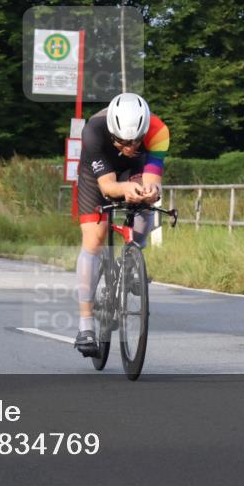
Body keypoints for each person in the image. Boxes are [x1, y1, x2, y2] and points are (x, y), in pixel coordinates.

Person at [73, 93, 169, 355]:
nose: (130, 146)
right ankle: (86, 327)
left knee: (144, 205)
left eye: (137, 140)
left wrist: (151, 191)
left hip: (134, 169)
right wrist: (124, 188)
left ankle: (133, 256)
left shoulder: (159, 130)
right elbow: (107, 186)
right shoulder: (93, 130)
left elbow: (153, 177)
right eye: (124, 141)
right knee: (95, 237)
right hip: (98, 174)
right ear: (113, 131)